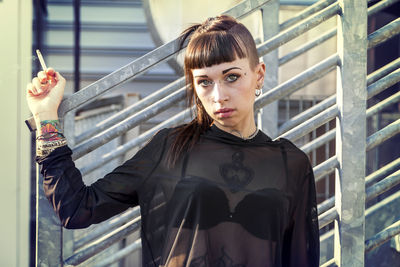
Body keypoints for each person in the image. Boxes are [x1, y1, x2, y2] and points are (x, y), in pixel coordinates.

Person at [27, 15, 319, 267]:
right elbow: (78, 208)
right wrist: (46, 118)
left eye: (231, 77)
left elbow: (302, 259)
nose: (219, 96)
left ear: (259, 75)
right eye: (205, 82)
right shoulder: (172, 149)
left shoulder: (289, 163)